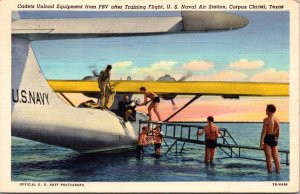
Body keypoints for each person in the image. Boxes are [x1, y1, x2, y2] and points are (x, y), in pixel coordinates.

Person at [260, 104, 280, 174]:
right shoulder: (277, 119)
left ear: (269, 110)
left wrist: (261, 142)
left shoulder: (266, 120)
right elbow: (278, 133)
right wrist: (276, 141)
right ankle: (278, 173)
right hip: (274, 139)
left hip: (267, 139)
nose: (265, 110)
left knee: (269, 158)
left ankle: (270, 174)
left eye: (266, 109)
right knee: (276, 159)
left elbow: (264, 132)